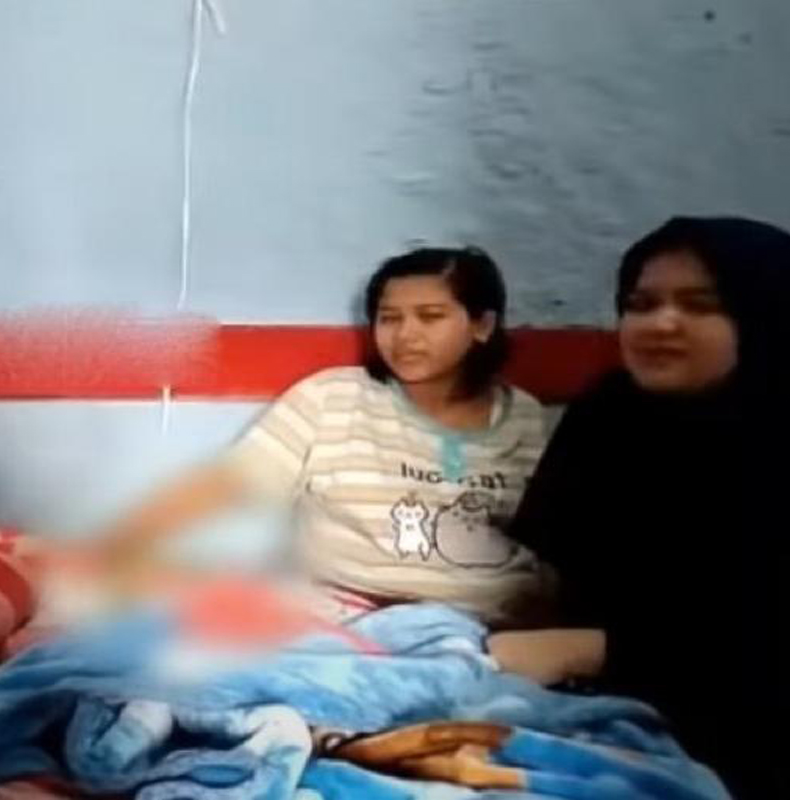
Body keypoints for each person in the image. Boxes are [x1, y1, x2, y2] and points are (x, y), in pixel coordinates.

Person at [491, 217, 790, 798]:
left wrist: (597, 650)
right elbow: (562, 581)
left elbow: (777, 647)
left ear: (765, 314)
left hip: (744, 737)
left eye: (701, 305)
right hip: (588, 706)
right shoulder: (609, 414)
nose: (660, 323)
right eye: (640, 304)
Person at [91, 247, 552, 626]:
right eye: (389, 318)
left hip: (490, 630)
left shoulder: (527, 419)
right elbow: (231, 487)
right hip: (347, 619)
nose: (405, 335)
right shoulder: (333, 398)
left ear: (482, 325)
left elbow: (561, 546)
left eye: (430, 317)